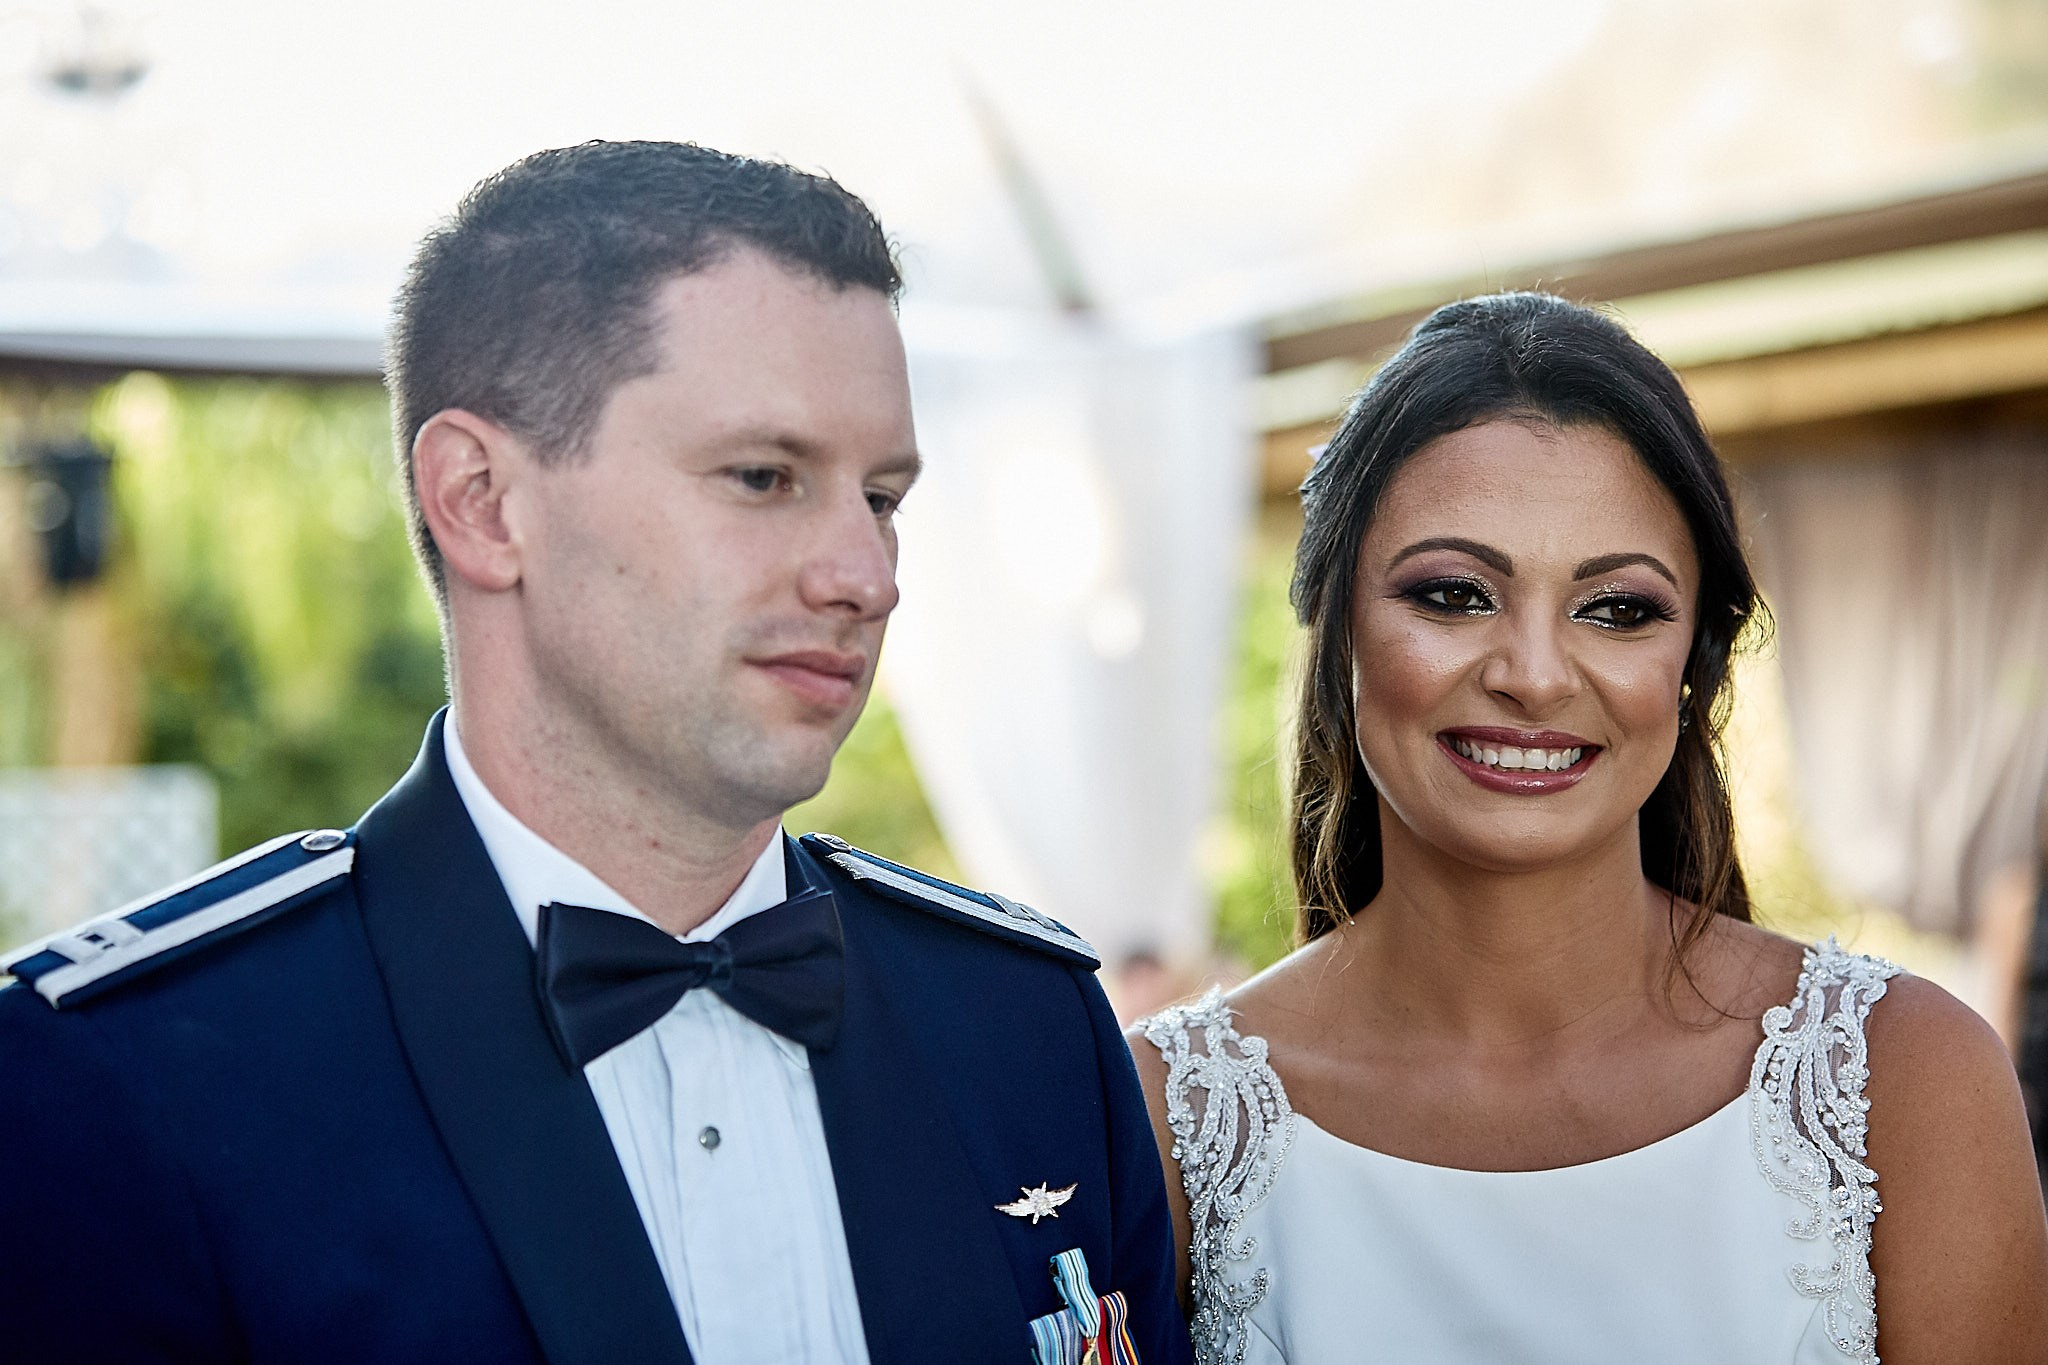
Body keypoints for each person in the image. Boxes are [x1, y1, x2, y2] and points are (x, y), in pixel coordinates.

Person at [0, 141, 1189, 1365]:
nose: (867, 577)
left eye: (881, 496)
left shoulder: (1024, 1023)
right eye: (764, 476)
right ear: (482, 500)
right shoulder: (126, 1084)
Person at [1130, 292, 2048, 1364]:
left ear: (1694, 664)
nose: (1530, 674)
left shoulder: (1904, 1079)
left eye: (1615, 608)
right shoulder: (1160, 1119)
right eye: (1452, 594)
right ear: (1333, 622)